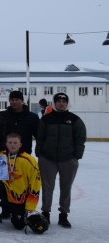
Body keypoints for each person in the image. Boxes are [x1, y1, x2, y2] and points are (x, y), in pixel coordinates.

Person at [35, 92, 86, 228]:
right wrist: (39, 152)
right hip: (47, 158)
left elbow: (80, 139)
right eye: (58, 101)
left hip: (68, 159)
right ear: (54, 103)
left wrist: (77, 155)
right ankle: (45, 213)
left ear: (67, 103)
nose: (61, 103)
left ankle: (63, 215)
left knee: (66, 188)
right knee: (47, 187)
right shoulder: (46, 119)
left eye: (64, 101)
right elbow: (40, 137)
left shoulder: (74, 120)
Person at [0, 133, 44, 232]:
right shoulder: (0, 156)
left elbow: (35, 185)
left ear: (20, 145)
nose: (12, 145)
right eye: (10, 142)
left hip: (19, 196)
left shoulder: (28, 160)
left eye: (15, 142)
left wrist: (29, 207)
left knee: (19, 225)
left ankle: (23, 214)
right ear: (6, 144)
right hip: (5, 189)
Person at [0, 90, 39, 155]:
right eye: (12, 99)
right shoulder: (1, 116)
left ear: (22, 101)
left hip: (24, 154)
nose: (14, 102)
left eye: (17, 99)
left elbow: (39, 136)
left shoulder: (32, 117)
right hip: (4, 154)